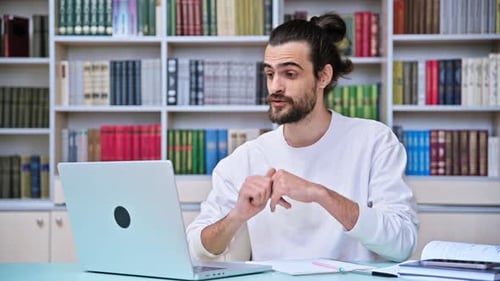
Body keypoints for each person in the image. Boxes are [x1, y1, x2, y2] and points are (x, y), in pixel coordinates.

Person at [186, 13, 418, 263]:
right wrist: (237, 215)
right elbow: (196, 250)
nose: (275, 86)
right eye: (269, 74)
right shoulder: (245, 158)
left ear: (323, 77)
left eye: (290, 74)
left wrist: (319, 194)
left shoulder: (374, 142)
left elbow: (402, 243)